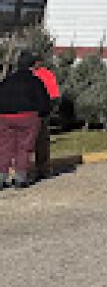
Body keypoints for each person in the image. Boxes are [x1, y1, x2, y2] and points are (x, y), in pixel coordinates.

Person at [0, 52, 52, 189]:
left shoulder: (7, 80)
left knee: (4, 147)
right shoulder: (35, 82)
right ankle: (20, 178)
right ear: (32, 65)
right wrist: (43, 114)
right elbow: (44, 103)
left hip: (5, 117)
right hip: (28, 117)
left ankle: (2, 177)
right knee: (24, 147)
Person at [32, 55, 61, 180]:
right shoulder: (47, 74)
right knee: (42, 141)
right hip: (42, 112)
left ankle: (25, 171)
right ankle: (42, 169)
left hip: (27, 112)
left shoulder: (25, 75)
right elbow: (54, 96)